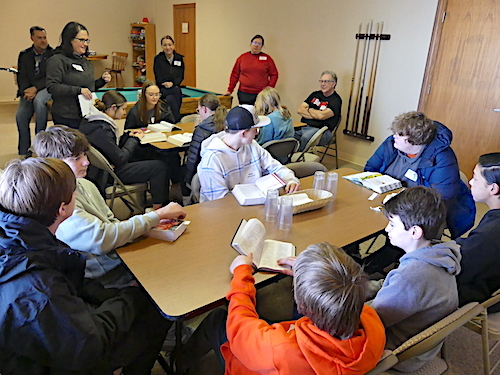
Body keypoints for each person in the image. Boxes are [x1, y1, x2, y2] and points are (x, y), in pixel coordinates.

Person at [0, 157, 170, 375]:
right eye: (74, 191)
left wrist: (118, 296)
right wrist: (131, 296)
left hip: (44, 335)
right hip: (54, 360)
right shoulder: (41, 291)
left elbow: (68, 287)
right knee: (155, 312)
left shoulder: (21, 236)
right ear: (63, 208)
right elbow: (88, 346)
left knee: (130, 300)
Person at [177, 242, 386, 375]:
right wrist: (312, 274)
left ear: (303, 305)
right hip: (313, 359)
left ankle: (179, 361)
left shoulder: (277, 348)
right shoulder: (372, 321)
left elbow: (239, 325)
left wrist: (242, 272)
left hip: (274, 362)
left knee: (218, 319)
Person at [33, 125, 186, 288]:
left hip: (116, 256)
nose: (87, 161)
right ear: (54, 163)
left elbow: (111, 223)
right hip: (102, 277)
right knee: (171, 273)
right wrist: (157, 215)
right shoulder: (59, 202)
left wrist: (150, 225)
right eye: (76, 158)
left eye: (84, 154)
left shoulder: (85, 184)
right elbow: (101, 239)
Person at [369, 186, 461, 372]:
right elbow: (391, 287)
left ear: (414, 232)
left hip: (397, 353)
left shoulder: (411, 277)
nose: (387, 229)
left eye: (393, 224)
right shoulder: (440, 255)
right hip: (422, 346)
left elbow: (368, 320)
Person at [365, 111, 476, 238]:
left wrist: (400, 202)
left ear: (414, 139)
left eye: (400, 134)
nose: (394, 136)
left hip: (419, 210)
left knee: (399, 235)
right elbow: (370, 169)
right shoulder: (391, 144)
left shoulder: (442, 158)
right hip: (384, 201)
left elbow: (440, 200)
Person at [79, 90, 170, 209]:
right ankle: (158, 209)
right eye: (123, 109)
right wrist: (134, 140)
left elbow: (110, 146)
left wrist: (127, 136)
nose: (124, 113)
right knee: (159, 167)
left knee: (147, 156)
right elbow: (120, 158)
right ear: (113, 108)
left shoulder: (91, 121)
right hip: (109, 173)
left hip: (99, 170)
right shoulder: (102, 129)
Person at [198, 105, 300, 203]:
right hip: (225, 214)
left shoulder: (252, 146)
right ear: (243, 133)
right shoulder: (212, 160)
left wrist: (290, 180)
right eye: (255, 129)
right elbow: (221, 202)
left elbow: (277, 168)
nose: (257, 133)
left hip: (255, 206)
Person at [124, 80, 187, 201]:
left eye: (157, 94)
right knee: (162, 160)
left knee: (173, 156)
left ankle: (176, 189)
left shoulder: (163, 106)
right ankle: (160, 197)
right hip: (142, 148)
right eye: (151, 94)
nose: (155, 97)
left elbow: (171, 124)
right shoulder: (135, 111)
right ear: (144, 95)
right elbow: (128, 133)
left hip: (162, 142)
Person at [456, 152, 500, 312]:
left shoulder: (490, 233)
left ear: (493, 188)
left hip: (478, 294)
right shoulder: (493, 220)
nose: (471, 182)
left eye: (476, 178)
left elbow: (458, 271)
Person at [46, 21, 111, 129]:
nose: (85, 44)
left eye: (87, 40)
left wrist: (102, 81)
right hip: (66, 115)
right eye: (81, 40)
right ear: (70, 40)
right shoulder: (57, 60)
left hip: (86, 114)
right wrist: (78, 90)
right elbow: (52, 86)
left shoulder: (85, 62)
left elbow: (88, 88)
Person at [15, 26, 54, 157]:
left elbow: (51, 76)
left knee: (39, 102)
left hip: (46, 88)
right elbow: (22, 76)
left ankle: (40, 145)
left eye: (45, 37)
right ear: (32, 38)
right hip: (29, 91)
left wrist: (35, 89)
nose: (43, 41)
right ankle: (24, 151)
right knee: (20, 115)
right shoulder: (24, 55)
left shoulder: (52, 54)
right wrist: (26, 91)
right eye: (39, 38)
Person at [184, 93, 227, 186]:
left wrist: (187, 180)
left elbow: (193, 159)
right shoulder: (228, 124)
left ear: (204, 109)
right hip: (225, 171)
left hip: (203, 175)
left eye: (198, 110)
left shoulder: (201, 130)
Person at [225, 35, 279, 105]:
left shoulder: (267, 59)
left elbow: (274, 74)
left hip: (260, 94)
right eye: (255, 43)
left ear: (262, 46)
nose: (256, 45)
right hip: (243, 93)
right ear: (251, 44)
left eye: (259, 44)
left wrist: (269, 88)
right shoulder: (242, 58)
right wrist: (230, 90)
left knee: (258, 114)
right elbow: (235, 74)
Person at [295, 71, 342, 151]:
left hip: (322, 131)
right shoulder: (315, 94)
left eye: (326, 81)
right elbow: (300, 110)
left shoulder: (336, 100)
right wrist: (316, 114)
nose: (323, 84)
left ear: (334, 84)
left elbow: (322, 116)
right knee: (287, 133)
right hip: (304, 126)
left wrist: (309, 109)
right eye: (321, 81)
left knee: (306, 137)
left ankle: (297, 158)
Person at [154, 35, 184, 122]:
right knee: (170, 97)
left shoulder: (179, 58)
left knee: (175, 92)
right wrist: (164, 83)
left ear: (173, 46)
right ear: (162, 46)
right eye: (165, 45)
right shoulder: (158, 59)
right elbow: (157, 75)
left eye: (170, 45)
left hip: (175, 87)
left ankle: (174, 119)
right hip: (162, 88)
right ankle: (177, 119)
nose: (168, 47)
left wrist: (173, 83)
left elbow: (181, 76)